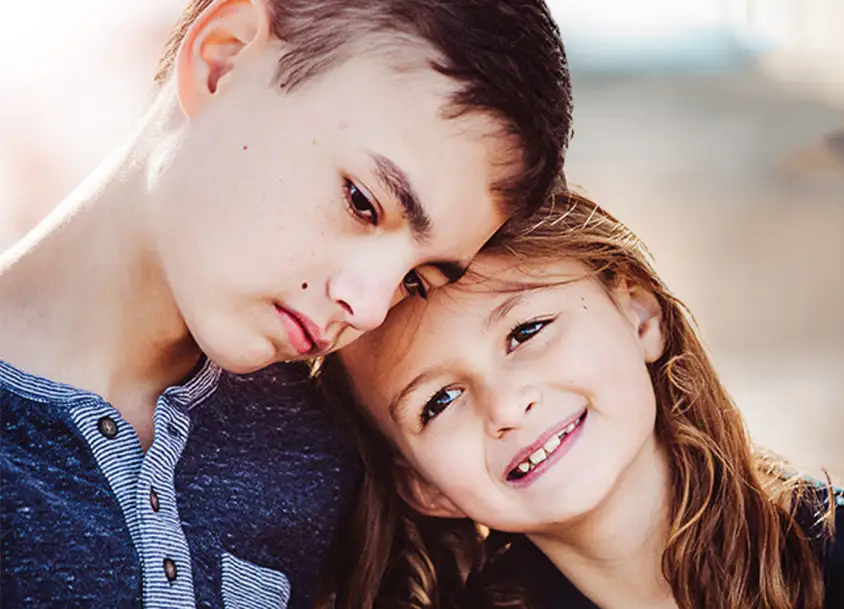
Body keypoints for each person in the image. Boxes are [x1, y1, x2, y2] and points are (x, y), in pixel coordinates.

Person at [0, 1, 573, 606]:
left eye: (415, 279)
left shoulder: (352, 451)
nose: (370, 307)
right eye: (362, 202)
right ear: (221, 61)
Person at [326, 190, 844, 609]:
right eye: (440, 400)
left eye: (526, 332)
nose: (504, 407)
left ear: (639, 314)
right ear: (420, 483)